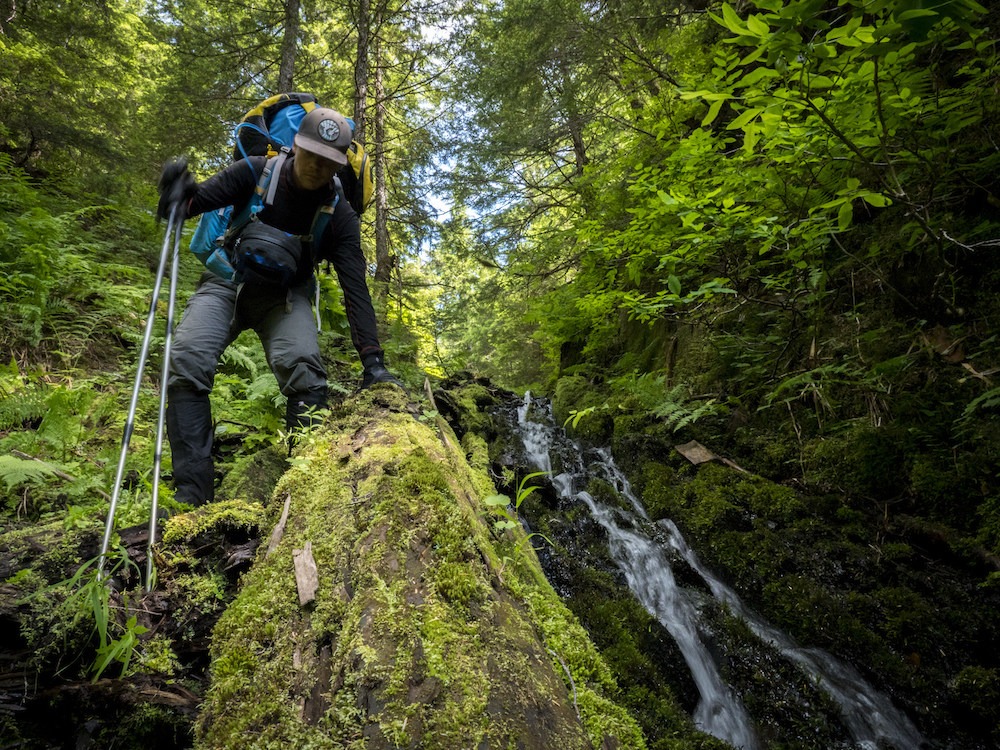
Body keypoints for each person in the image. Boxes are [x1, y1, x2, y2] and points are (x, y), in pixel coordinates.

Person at [156, 106, 401, 506]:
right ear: (295, 147)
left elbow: (356, 288)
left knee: (304, 368)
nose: (318, 167)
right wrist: (175, 195)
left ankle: (301, 489)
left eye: (329, 162)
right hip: (227, 283)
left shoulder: (339, 216)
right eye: (312, 155)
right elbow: (190, 206)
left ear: (339, 166)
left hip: (286, 297)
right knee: (187, 358)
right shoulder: (255, 171)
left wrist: (373, 362)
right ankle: (193, 496)